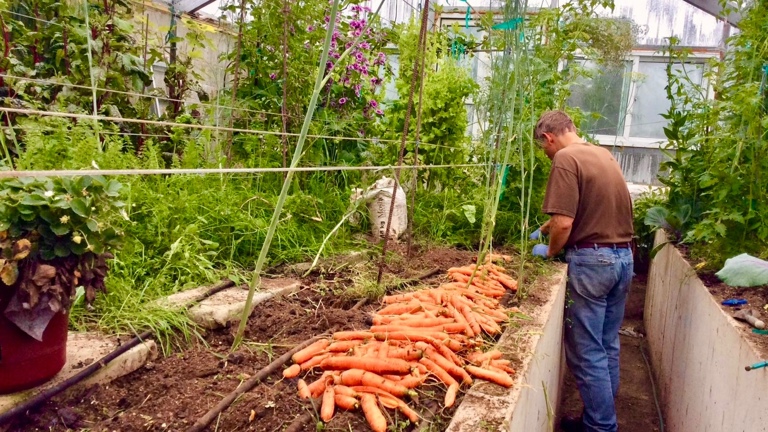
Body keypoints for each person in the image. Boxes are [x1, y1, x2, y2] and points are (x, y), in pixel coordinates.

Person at [530, 110, 634, 432]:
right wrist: (545, 228)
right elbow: (587, 208)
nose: (546, 155)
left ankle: (601, 426)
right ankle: (598, 416)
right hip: (623, 259)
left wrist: (549, 250)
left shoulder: (565, 159)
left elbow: (565, 222)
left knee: (586, 352)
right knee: (606, 343)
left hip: (592, 264)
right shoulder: (602, 155)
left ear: (549, 138)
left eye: (543, 148)